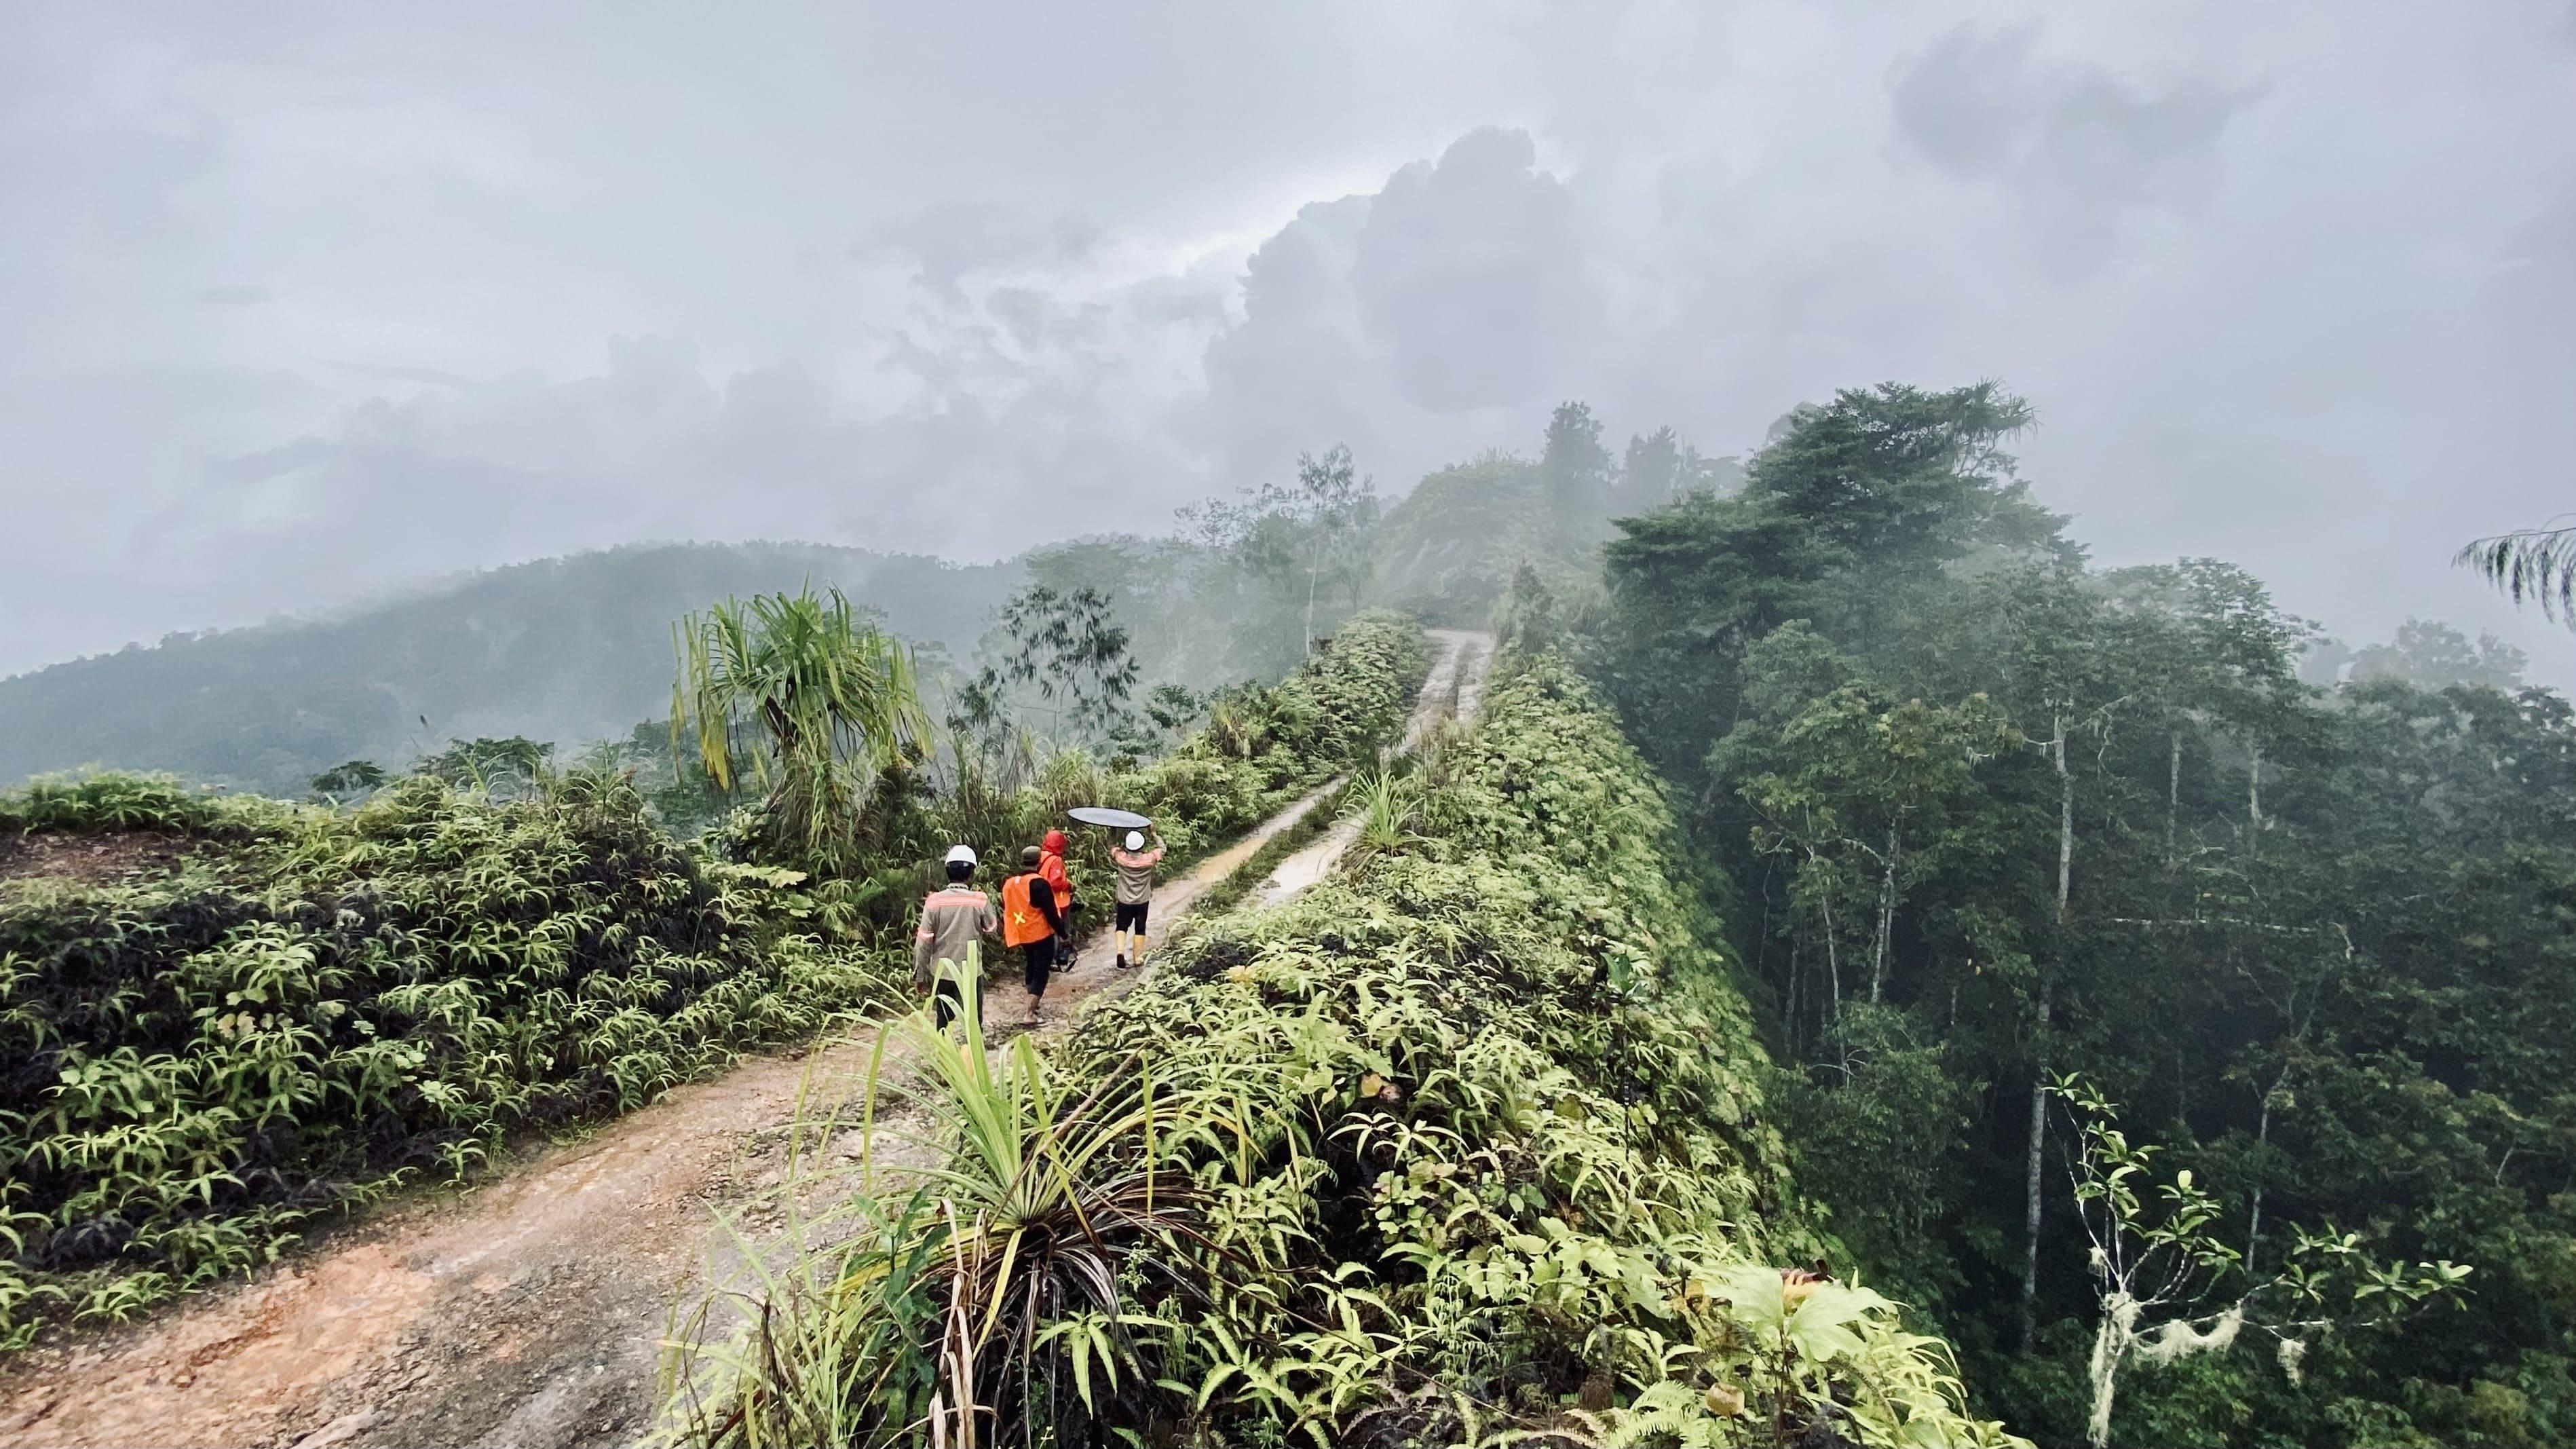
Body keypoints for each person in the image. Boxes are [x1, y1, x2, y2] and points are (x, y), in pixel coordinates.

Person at [912, 844, 1000, 1031]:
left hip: (941, 973)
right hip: (970, 973)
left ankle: (944, 1057)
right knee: (974, 1023)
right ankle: (974, 1057)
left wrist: (921, 975)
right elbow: (991, 928)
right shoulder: (979, 900)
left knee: (943, 1023)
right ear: (971, 872)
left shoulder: (933, 901)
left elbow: (923, 941)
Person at [1001, 844, 1067, 1025]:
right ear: (1039, 862)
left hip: (1021, 933)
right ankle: (1030, 1013)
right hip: (1040, 934)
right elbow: (1051, 912)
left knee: (1031, 967)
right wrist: (1063, 934)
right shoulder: (1039, 883)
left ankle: (1032, 1003)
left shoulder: (1010, 883)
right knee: (1041, 972)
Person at [1108, 827, 1165, 969]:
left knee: (1121, 926)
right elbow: (1162, 848)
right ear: (1142, 845)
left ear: (1127, 846)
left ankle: (1120, 952)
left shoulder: (1121, 858)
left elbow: (1111, 846)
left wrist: (1113, 830)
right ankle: (1137, 958)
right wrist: (1153, 833)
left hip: (1124, 900)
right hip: (1141, 901)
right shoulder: (1149, 859)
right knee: (1140, 928)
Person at [1038, 827, 1076, 935]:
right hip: (1058, 902)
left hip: (1042, 901)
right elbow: (1055, 883)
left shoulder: (1039, 856)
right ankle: (1065, 947)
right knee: (1063, 930)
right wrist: (1069, 885)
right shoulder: (1056, 860)